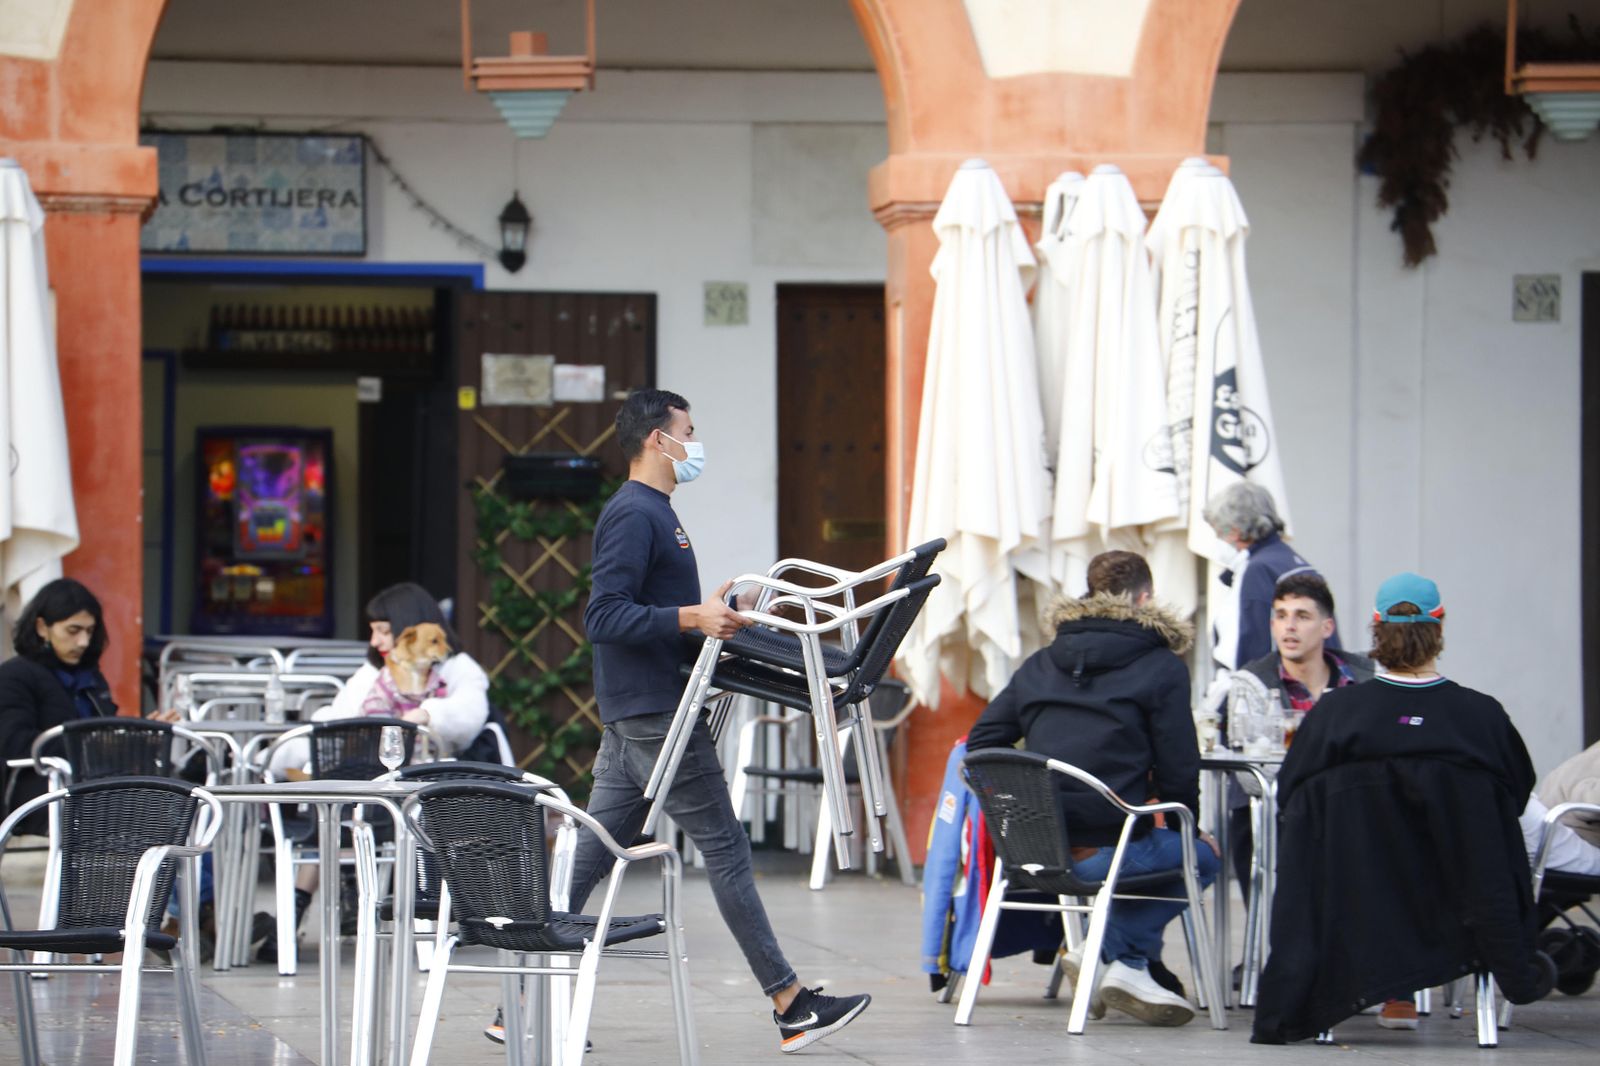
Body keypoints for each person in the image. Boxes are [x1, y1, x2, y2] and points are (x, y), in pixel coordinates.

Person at [555, 388, 871, 1053]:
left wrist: (713, 607)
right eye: (687, 432)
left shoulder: (657, 513)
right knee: (725, 847)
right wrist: (689, 618)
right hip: (653, 711)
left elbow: (652, 610)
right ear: (655, 441)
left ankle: (515, 1005)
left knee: (588, 863)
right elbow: (603, 618)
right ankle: (790, 1004)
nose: (695, 445)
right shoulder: (635, 514)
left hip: (634, 712)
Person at [1254, 572, 1552, 1040]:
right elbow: (1513, 798)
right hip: (1460, 907)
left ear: (1375, 627)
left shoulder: (1333, 715)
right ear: (1440, 627)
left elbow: (1292, 800)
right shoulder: (1482, 717)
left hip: (1353, 901)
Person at [966, 550, 1220, 1027]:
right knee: (1199, 857)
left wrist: (1023, 803)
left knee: (1159, 854)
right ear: (1145, 598)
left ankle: (1119, 961)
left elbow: (982, 745)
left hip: (1032, 851)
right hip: (1111, 844)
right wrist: (1191, 826)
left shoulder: (1041, 663)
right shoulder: (1161, 667)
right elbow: (1179, 769)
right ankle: (1118, 959)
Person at [257, 582, 489, 961]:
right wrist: (295, 751)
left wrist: (427, 714)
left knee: (334, 811)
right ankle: (304, 915)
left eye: (383, 629)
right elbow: (340, 717)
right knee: (332, 806)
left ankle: (295, 919)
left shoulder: (457, 669)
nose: (376, 639)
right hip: (373, 789)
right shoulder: (374, 672)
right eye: (374, 630)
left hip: (428, 791)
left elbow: (468, 717)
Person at [1225, 573, 1374, 892]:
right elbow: (1251, 778)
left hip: (1353, 820)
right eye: (1281, 616)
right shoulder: (1250, 683)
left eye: (1302, 616)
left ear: (1327, 628)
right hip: (1274, 822)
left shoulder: (1365, 679)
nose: (1289, 626)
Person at [0, 578, 116, 834]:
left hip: (94, 789)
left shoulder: (91, 678)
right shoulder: (15, 676)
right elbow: (14, 743)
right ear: (42, 627)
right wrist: (91, 743)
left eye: (89, 631)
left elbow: (106, 729)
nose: (83, 642)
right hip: (39, 798)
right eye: (73, 631)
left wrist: (142, 732)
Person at [1202, 482, 1338, 669]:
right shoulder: (1295, 562)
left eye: (1219, 531)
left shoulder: (1257, 570)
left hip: (1276, 689)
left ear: (1235, 530)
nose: (1219, 539)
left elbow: (1249, 647)